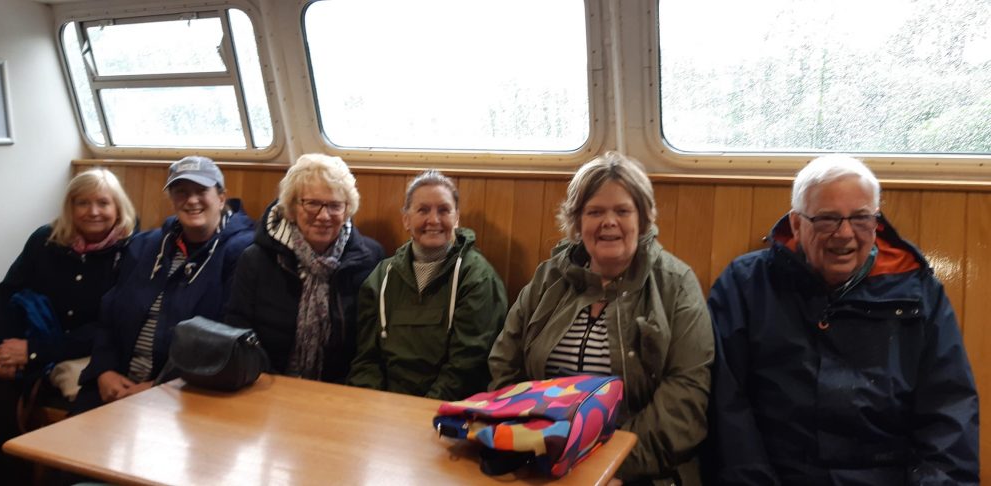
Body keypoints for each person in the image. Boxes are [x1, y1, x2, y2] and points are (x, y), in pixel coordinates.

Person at [706, 154, 979, 485]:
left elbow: (949, 409)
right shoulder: (745, 285)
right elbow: (728, 410)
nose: (845, 233)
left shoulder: (918, 291)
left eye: (861, 218)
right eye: (827, 219)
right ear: (797, 224)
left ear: (876, 223)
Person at [488, 151, 714, 485]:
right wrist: (523, 441)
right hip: (539, 457)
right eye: (595, 211)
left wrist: (612, 464)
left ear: (643, 218)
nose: (609, 221)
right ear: (577, 221)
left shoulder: (676, 284)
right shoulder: (548, 278)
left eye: (622, 211)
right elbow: (505, 363)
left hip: (637, 470)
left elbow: (685, 398)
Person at [74, 156, 254, 411]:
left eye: (201, 191)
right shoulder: (144, 246)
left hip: (187, 392)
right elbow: (109, 315)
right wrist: (103, 370)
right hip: (116, 384)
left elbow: (228, 337)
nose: (191, 200)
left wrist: (161, 385)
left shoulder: (242, 253)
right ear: (172, 199)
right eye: (181, 192)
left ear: (221, 198)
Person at [0, 168, 135, 484]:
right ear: (70, 207)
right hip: (26, 338)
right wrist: (6, 349)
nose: (93, 211)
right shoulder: (44, 239)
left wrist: (33, 351)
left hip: (81, 350)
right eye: (82, 203)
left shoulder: (133, 252)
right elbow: (7, 293)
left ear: (118, 207)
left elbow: (112, 325)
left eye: (103, 203)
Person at [347, 170, 507, 400]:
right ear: (406, 219)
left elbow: (467, 365)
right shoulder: (382, 276)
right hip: (383, 406)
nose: (433, 220)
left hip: (447, 406)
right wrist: (373, 404)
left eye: (443, 210)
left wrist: (422, 411)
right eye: (423, 210)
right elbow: (365, 359)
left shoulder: (477, 278)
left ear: (456, 218)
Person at [226, 154, 384, 382]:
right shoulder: (256, 259)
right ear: (292, 206)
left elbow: (370, 340)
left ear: (347, 209)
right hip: (267, 382)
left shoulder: (370, 258)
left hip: (341, 388)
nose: (324, 216)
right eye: (312, 203)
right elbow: (237, 326)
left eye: (335, 205)